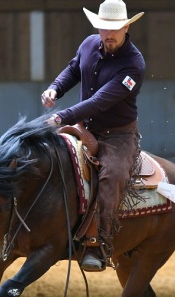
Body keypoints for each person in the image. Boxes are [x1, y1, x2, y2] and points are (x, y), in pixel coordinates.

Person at [41, 0, 145, 272]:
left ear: (126, 27)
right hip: (85, 127)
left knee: (112, 176)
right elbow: (74, 69)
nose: (108, 34)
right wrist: (55, 88)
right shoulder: (88, 44)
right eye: (103, 28)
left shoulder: (134, 65)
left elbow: (100, 101)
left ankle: (98, 245)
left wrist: (63, 116)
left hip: (118, 137)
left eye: (114, 29)